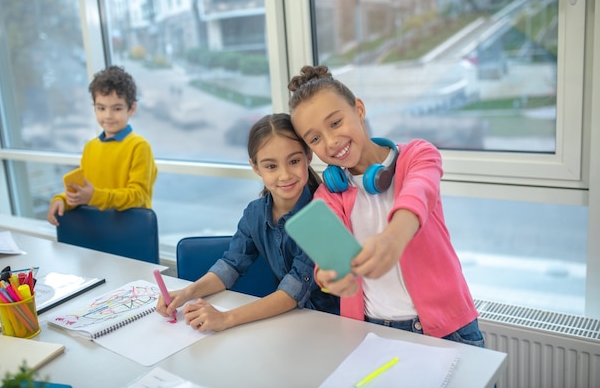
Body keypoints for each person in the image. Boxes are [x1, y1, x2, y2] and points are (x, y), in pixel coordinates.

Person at [286, 64, 484, 347]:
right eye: (315, 138)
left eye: (335, 123)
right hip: (372, 334)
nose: (331, 142)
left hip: (448, 330)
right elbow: (326, 263)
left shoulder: (417, 155)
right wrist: (329, 279)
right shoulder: (328, 197)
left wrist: (393, 238)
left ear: (359, 109)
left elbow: (418, 196)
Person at [156, 113, 339, 332]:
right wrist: (187, 292)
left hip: (331, 325)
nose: (285, 175)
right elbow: (231, 265)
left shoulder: (321, 213)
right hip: (287, 324)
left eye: (294, 161)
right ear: (255, 167)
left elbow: (293, 292)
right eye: (271, 166)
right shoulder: (255, 213)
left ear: (308, 156)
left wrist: (225, 318)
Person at [47, 65, 157, 226]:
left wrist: (95, 196)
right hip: (97, 229)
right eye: (101, 108)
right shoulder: (90, 147)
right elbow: (83, 193)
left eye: (117, 108)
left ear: (131, 108)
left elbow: (138, 196)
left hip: (130, 231)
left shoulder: (139, 146)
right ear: (94, 108)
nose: (108, 116)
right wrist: (62, 200)